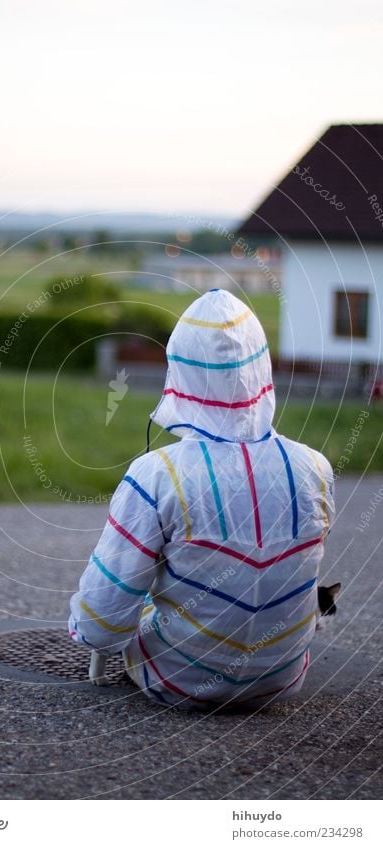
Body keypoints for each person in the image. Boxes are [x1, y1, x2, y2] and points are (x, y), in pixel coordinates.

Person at [69, 289, 335, 708]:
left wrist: (90, 633)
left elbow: (102, 621)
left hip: (177, 682)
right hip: (280, 682)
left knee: (136, 592)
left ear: (180, 374)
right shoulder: (315, 468)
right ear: (262, 371)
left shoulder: (157, 474)